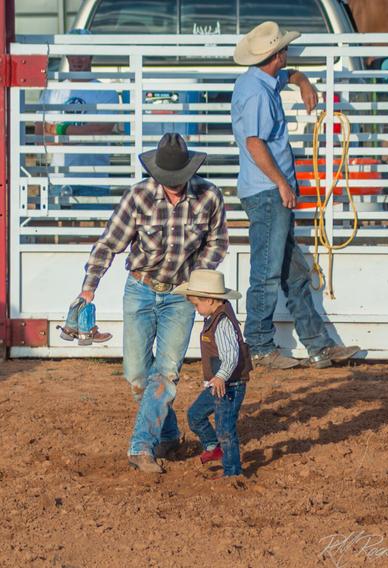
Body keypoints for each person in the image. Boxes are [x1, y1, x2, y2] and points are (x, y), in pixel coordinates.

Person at [79, 132, 229, 473]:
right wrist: (89, 289)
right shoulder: (138, 197)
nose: (173, 185)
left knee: (166, 372)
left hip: (180, 294)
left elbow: (218, 241)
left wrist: (198, 276)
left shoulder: (209, 197)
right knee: (136, 374)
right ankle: (170, 432)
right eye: (167, 180)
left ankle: (141, 446)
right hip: (141, 288)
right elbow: (107, 244)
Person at [231, 21, 360, 370]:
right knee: (269, 272)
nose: (287, 56)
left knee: (292, 272)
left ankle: (318, 345)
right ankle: (259, 345)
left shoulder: (261, 82)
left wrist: (302, 81)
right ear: (277, 55)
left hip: (269, 191)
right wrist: (283, 183)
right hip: (269, 191)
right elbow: (254, 143)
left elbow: (286, 78)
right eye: (284, 51)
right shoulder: (258, 92)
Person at [173, 269, 252, 477]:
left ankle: (232, 472)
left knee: (225, 428)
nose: (196, 308)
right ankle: (212, 446)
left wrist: (220, 376)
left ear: (209, 300)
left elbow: (231, 355)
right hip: (218, 383)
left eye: (196, 304)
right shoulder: (215, 318)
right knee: (195, 415)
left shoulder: (222, 322)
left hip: (229, 385)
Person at [35, 29, 119, 210]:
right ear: (67, 55)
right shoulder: (52, 90)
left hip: (95, 180)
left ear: (91, 56)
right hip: (59, 179)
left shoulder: (106, 92)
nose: (77, 59)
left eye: (82, 53)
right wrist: (80, 134)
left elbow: (101, 130)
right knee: (57, 234)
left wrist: (59, 130)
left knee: (96, 235)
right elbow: (39, 134)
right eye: (73, 53)